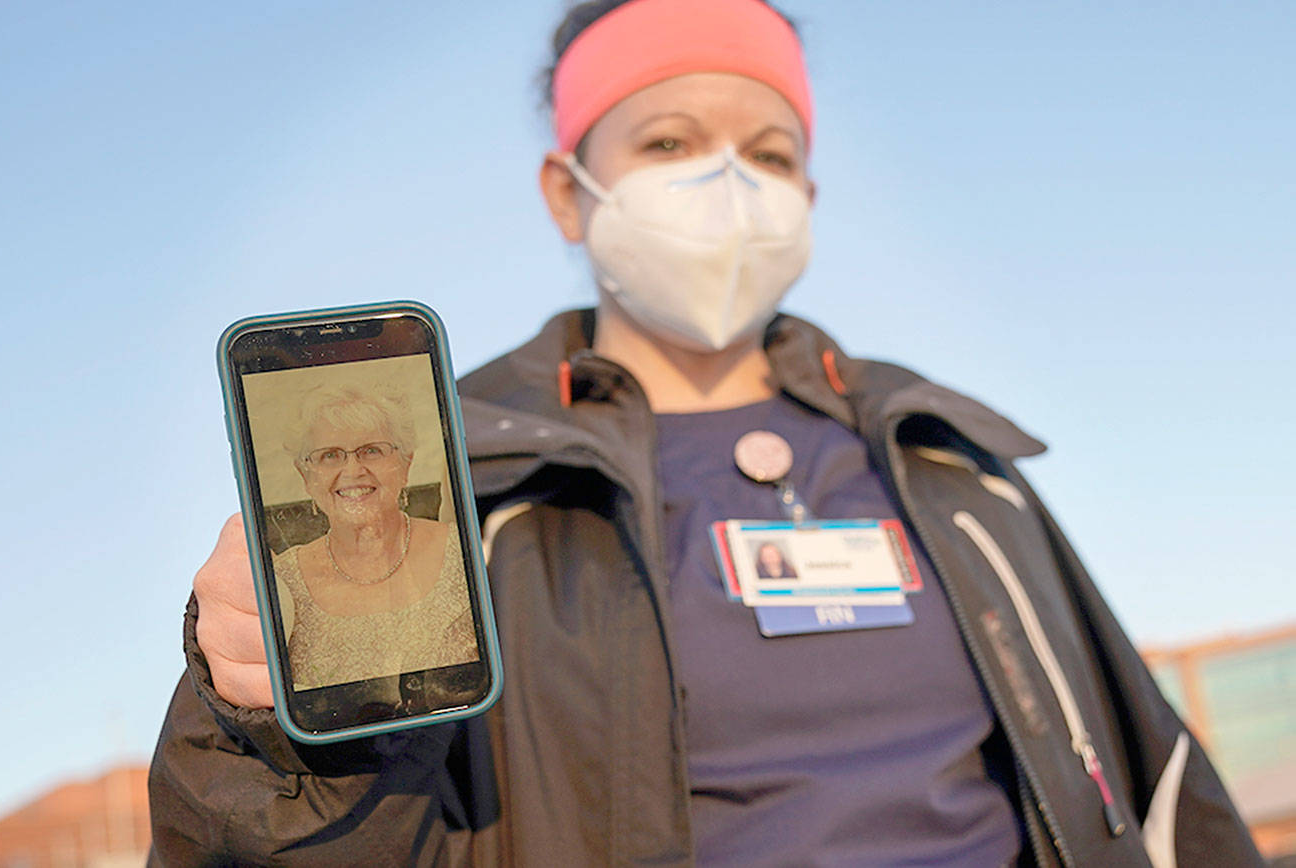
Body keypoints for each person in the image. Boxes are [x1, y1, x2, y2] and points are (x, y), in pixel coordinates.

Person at [149, 0, 1263, 865]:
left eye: (769, 154)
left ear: (809, 195)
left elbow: (1166, 793)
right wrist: (257, 725)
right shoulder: (469, 497)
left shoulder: (952, 466)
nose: (730, 185)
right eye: (671, 141)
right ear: (568, 192)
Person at [271, 384, 477, 691]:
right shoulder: (281, 581)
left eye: (372, 450)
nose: (353, 470)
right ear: (307, 477)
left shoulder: (465, 550)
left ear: (404, 465)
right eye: (330, 455)